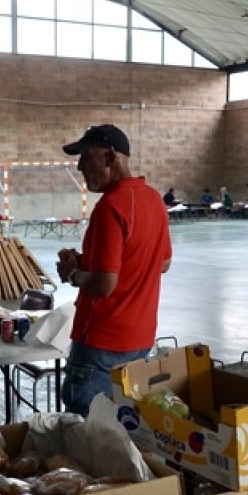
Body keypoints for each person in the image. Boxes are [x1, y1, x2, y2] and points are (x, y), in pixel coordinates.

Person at [56, 124, 172, 416]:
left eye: (86, 156)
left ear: (110, 158)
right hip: (140, 339)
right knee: (122, 425)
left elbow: (105, 284)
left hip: (101, 343)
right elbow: (162, 262)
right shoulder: (153, 200)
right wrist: (87, 263)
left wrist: (72, 274)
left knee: (85, 429)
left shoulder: (111, 207)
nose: (80, 166)